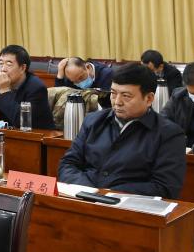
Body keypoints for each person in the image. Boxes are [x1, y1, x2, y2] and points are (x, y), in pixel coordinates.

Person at [58, 63, 186, 198]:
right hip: (84, 197)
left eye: (126, 96)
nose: (117, 102)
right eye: (113, 94)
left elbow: (165, 187)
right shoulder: (93, 121)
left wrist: (107, 194)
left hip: (129, 206)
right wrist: (89, 191)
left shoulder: (168, 134)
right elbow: (68, 164)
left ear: (149, 99)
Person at [0, 44, 55, 129]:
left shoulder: (36, 88)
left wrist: (4, 90)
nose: (3, 69)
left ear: (22, 68)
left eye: (9, 64)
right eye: (1, 63)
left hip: (38, 135)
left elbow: (21, 122)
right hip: (9, 134)